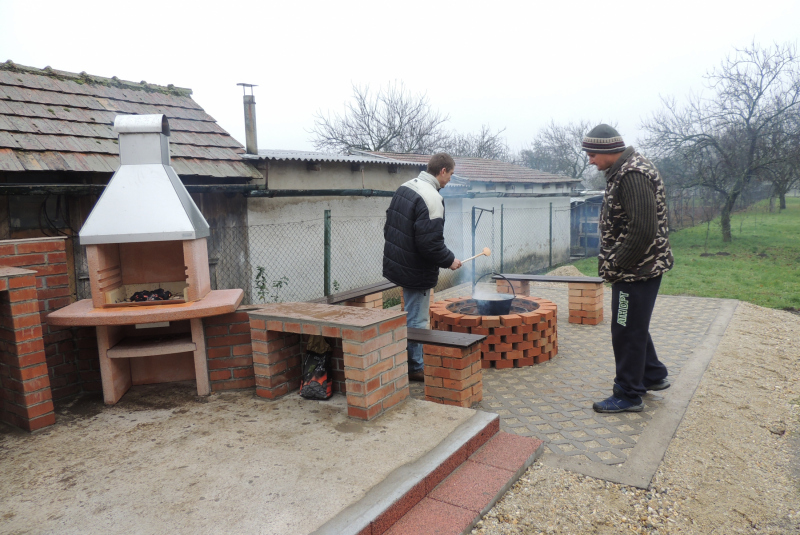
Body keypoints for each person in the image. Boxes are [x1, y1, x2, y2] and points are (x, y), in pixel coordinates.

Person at [582, 124, 675, 413]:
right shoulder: (624, 169)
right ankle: (652, 374)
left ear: (610, 150)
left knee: (625, 328)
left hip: (635, 270)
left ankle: (628, 393)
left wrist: (615, 265)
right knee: (634, 324)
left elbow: (642, 229)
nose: (590, 160)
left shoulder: (632, 173)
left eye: (593, 154)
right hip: (639, 268)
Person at [383, 153, 462, 382]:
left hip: (399, 264)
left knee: (409, 314)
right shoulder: (432, 198)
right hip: (415, 270)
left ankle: (406, 358)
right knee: (417, 320)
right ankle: (415, 366)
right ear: (443, 171)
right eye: (451, 175)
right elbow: (430, 244)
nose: (449, 181)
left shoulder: (405, 187)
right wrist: (449, 260)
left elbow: (389, 227)